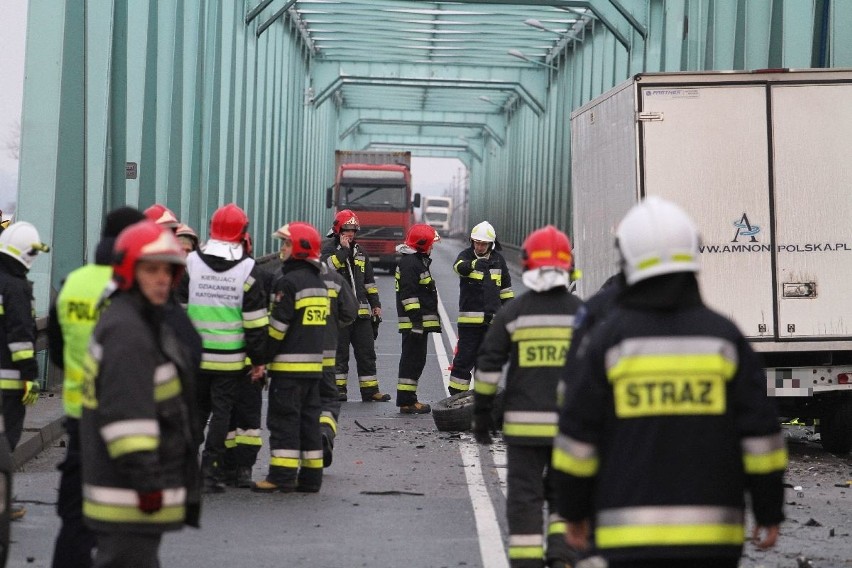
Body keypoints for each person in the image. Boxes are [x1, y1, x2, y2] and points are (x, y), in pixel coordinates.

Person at [552, 197, 786, 567]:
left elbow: (578, 438)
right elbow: (761, 438)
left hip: (625, 535)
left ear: (626, 257)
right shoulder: (724, 340)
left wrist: (574, 511)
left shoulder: (609, 341)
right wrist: (769, 510)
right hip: (714, 538)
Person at [80, 220, 202, 567]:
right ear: (128, 271)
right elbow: (126, 420)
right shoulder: (129, 333)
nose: (162, 278)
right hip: (128, 495)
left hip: (124, 490)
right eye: (151, 270)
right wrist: (148, 484)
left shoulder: (135, 320)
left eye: (168, 270)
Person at [472, 225, 582, 568]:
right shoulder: (584, 315)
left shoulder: (515, 312)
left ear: (527, 263)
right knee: (567, 495)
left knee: (524, 498)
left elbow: (489, 366)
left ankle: (526, 561)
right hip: (571, 429)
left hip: (523, 430)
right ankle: (562, 555)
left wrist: (482, 414)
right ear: (568, 265)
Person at [48, 206, 146, 567]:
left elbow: (56, 351)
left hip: (80, 417)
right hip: (131, 421)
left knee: (75, 516)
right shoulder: (138, 284)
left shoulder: (73, 282)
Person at [176, 203, 268, 493]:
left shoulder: (191, 264)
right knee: (221, 414)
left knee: (196, 413)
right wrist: (258, 361)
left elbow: (178, 311)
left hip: (195, 357)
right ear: (243, 233)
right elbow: (254, 324)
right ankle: (208, 472)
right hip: (230, 359)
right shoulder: (248, 270)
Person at [252, 222, 328, 493]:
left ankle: (281, 476)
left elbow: (277, 330)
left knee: (283, 422)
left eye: (285, 244)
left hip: (287, 369)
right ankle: (310, 478)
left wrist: (259, 359)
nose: (281, 249)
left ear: (298, 248)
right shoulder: (318, 283)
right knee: (309, 423)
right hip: (312, 370)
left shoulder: (288, 282)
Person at [0, 221, 50, 520]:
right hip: (8, 378)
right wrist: (30, 375)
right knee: (6, 441)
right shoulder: (15, 286)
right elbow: (20, 337)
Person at [321, 210, 389, 402]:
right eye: (346, 229)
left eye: (353, 230)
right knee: (339, 354)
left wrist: (376, 304)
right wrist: (342, 251)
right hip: (339, 315)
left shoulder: (361, 252)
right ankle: (338, 390)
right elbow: (326, 268)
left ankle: (370, 391)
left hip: (362, 314)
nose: (350, 233)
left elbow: (369, 282)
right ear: (338, 230)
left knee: (367, 353)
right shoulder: (328, 249)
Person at [448, 221, 514, 395]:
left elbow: (505, 290)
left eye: (483, 243)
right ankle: (455, 399)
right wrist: (472, 265)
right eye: (476, 242)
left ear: (490, 244)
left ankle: (482, 400)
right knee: (463, 361)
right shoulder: (466, 255)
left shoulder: (498, 260)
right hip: (469, 324)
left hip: (492, 323)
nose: (479, 246)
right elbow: (458, 267)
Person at [393, 223, 442, 414]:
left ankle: (409, 399)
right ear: (423, 244)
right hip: (414, 324)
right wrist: (416, 322)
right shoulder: (411, 264)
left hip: (417, 324)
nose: (432, 247)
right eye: (431, 244)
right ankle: (406, 401)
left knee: (416, 361)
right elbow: (409, 296)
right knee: (411, 361)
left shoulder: (416, 261)